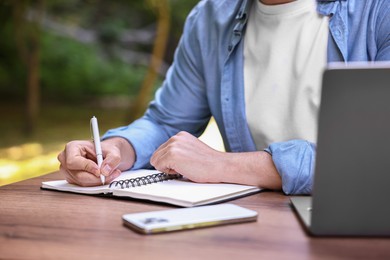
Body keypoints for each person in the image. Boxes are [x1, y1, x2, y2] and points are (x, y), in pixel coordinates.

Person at [58, 0, 390, 194]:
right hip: (252, 225)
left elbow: (375, 154)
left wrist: (222, 165)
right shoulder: (210, 18)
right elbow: (166, 122)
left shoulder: (378, 12)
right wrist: (117, 149)